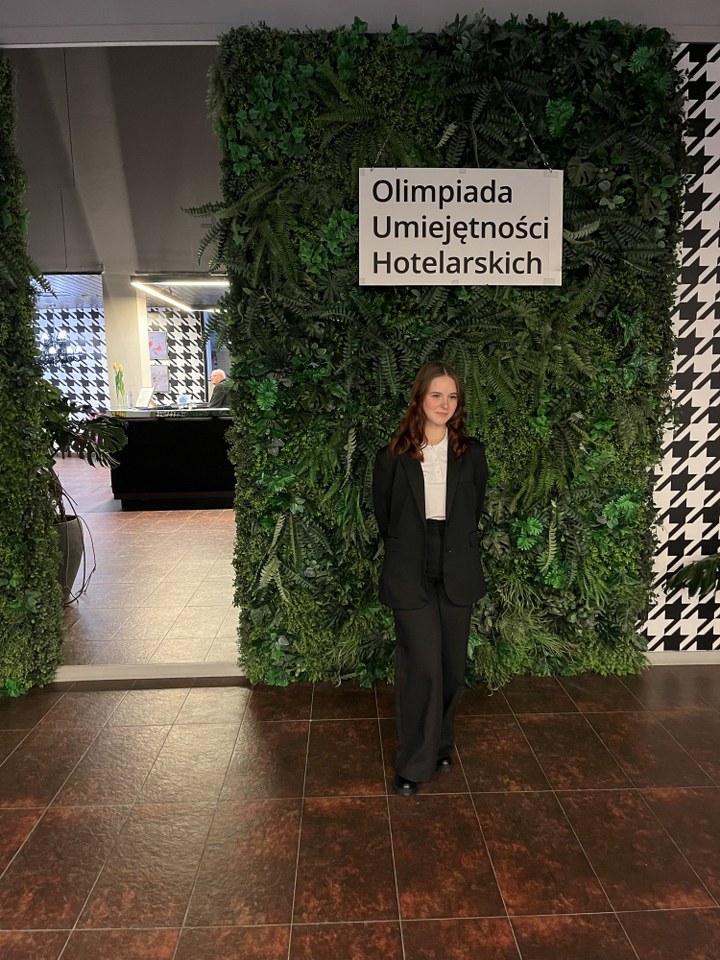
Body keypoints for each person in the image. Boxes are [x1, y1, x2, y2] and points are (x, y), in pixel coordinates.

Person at [372, 361, 488, 797]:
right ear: (420, 398)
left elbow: (475, 507)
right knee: (422, 666)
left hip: (457, 563)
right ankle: (413, 764)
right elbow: (386, 515)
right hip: (409, 567)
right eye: (436, 395)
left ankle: (440, 743)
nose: (444, 403)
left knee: (451, 667)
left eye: (452, 396)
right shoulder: (392, 456)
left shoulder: (470, 453)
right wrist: (410, 547)